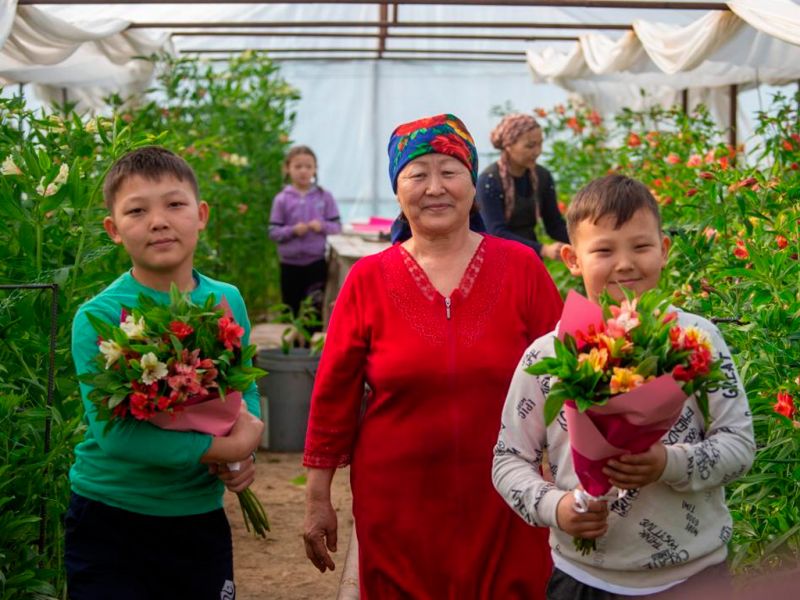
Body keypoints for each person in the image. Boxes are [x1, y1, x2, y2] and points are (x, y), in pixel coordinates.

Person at [302, 113, 564, 598]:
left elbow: (565, 378)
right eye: (417, 174)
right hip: (397, 501)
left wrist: (572, 477)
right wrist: (318, 498)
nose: (435, 187)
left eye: (450, 171)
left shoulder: (521, 268)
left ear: (472, 181)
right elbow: (333, 396)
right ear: (398, 191)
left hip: (507, 496)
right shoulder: (367, 279)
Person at [492, 175, 756, 599]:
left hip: (696, 577)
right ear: (571, 258)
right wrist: (555, 507)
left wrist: (668, 463)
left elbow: (740, 446)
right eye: (603, 250)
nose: (625, 263)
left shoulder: (696, 342)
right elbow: (508, 460)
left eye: (641, 246)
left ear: (664, 250)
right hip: (585, 580)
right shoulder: (549, 356)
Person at [66, 146, 265, 599]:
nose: (158, 221)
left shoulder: (226, 301)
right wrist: (222, 447)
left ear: (202, 214)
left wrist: (245, 445)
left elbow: (242, 384)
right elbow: (116, 435)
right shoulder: (100, 317)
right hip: (111, 518)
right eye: (137, 211)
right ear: (114, 230)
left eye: (175, 204)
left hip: (197, 515)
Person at [477, 112, 569, 260]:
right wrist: (543, 249)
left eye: (540, 144)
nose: (538, 151)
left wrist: (583, 242)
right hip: (497, 259)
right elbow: (496, 233)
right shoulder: (489, 181)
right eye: (530, 146)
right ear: (509, 146)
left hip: (529, 258)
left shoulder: (542, 177)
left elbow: (554, 225)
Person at [269, 145, 342, 316]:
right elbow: (273, 231)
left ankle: (310, 343)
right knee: (290, 309)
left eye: (308, 166)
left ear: (315, 170)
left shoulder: (325, 196)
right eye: (298, 166)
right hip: (289, 265)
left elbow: (337, 227)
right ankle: (291, 343)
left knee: (314, 311)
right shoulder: (281, 199)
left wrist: (322, 226)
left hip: (316, 264)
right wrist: (292, 230)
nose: (303, 171)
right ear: (287, 169)